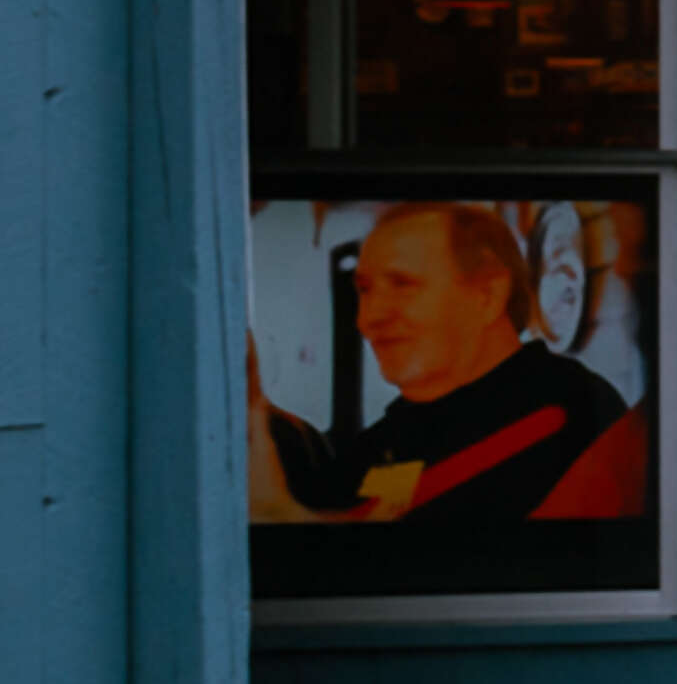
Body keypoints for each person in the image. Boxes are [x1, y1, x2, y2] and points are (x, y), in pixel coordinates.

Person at [249, 200, 645, 525]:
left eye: (403, 284)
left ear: (488, 296)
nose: (370, 318)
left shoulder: (570, 412)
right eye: (366, 291)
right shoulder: (392, 436)